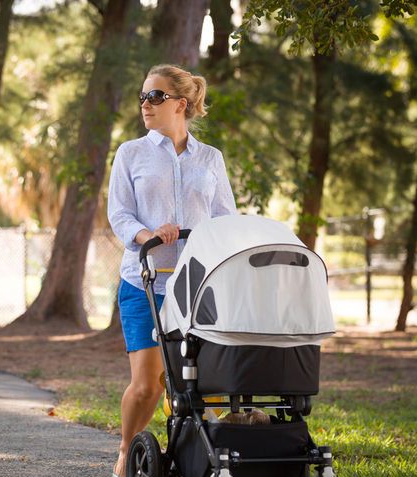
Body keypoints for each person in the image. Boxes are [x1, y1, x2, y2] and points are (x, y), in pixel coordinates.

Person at [107, 64, 237, 477]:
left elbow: (225, 217)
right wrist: (148, 235)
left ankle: (200, 456)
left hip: (198, 287)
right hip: (143, 282)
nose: (146, 104)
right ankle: (128, 451)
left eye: (156, 97)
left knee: (203, 384)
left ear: (181, 104)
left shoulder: (210, 159)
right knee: (147, 385)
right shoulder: (131, 153)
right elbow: (119, 214)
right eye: (143, 97)